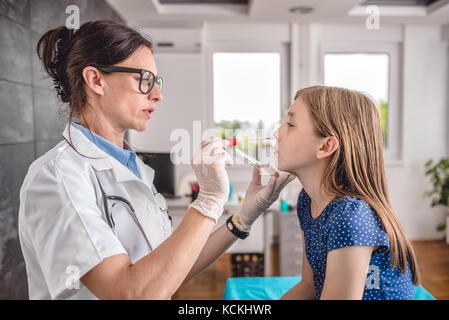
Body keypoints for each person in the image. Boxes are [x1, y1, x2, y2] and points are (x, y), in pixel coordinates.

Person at [17, 20, 295, 300]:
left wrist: (243, 217)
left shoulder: (133, 167)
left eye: (156, 82)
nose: (158, 95)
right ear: (96, 80)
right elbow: (130, 293)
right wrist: (207, 200)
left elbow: (170, 269)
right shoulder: (57, 177)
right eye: (144, 80)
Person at [278, 86, 420, 300]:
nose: (276, 133)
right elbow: (308, 286)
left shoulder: (350, 215)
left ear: (326, 146)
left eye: (290, 124)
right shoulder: (307, 200)